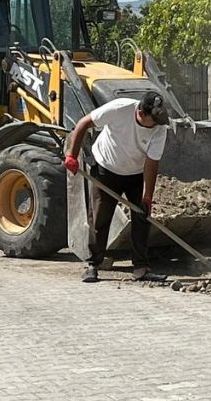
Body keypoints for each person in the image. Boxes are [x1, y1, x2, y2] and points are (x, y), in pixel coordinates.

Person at [65, 91, 169, 283]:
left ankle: (140, 268)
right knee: (99, 217)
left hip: (136, 173)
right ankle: (92, 265)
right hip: (106, 169)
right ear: (140, 113)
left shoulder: (159, 128)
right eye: (153, 119)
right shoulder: (119, 108)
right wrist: (72, 155)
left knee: (141, 217)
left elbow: (151, 163)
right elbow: (83, 124)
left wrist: (147, 197)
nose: (157, 123)